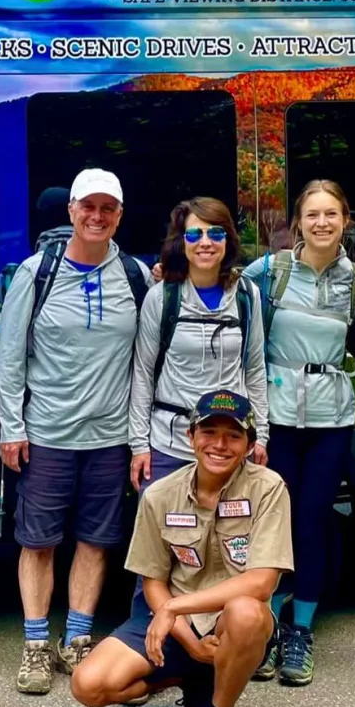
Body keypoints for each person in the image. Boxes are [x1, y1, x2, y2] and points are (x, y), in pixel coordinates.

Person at [71, 389, 292, 707]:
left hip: (233, 622)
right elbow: (153, 582)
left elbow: (262, 582)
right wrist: (186, 636)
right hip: (170, 621)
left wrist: (175, 608)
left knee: (245, 610)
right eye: (209, 432)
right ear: (191, 436)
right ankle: (190, 675)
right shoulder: (158, 494)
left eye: (233, 435)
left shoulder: (268, 488)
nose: (219, 444)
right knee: (88, 686)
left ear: (249, 445)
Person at [0, 168, 151, 694]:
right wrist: (11, 426)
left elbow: (143, 362)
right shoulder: (37, 272)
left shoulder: (134, 275)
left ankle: (78, 637)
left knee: (96, 539)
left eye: (108, 208)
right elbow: (10, 356)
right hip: (47, 432)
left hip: (109, 435)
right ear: (71, 211)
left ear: (119, 215)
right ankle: (37, 644)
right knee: (37, 542)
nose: (97, 216)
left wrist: (138, 438)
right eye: (88, 206)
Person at [241, 180, 355, 686]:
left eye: (331, 215)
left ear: (345, 222)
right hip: (274, 422)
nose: (322, 223)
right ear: (298, 222)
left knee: (313, 523)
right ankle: (268, 625)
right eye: (312, 214)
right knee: (271, 528)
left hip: (330, 421)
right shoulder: (271, 272)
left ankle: (301, 631)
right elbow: (219, 288)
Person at [129, 197, 269, 620]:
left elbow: (255, 368)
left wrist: (259, 434)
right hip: (171, 440)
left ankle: (230, 639)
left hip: (229, 444)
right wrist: (139, 445)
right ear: (181, 241)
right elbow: (142, 374)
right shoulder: (163, 297)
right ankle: (150, 637)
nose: (205, 242)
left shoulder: (247, 295)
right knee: (162, 551)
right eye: (194, 233)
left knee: (229, 545)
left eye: (215, 233)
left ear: (228, 239)